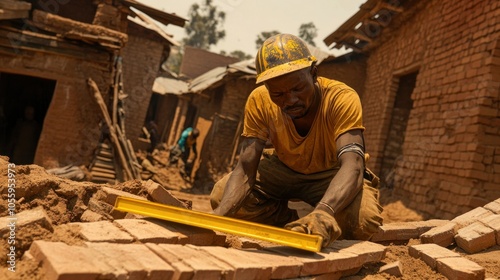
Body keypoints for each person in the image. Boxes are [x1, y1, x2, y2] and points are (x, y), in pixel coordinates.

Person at [210, 34, 383, 248]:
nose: (290, 100)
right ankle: (290, 220)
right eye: (278, 94)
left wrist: (324, 213)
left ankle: (318, 212)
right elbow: (245, 168)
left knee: (363, 223)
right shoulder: (259, 100)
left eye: (297, 89)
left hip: (332, 173)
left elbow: (353, 165)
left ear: (313, 74)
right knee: (221, 197)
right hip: (283, 168)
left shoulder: (341, 98)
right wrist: (217, 218)